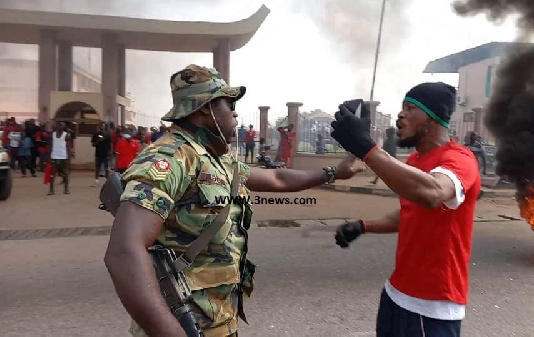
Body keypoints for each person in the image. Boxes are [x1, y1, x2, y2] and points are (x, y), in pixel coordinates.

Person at [103, 65, 362, 337]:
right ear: (206, 107)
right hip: (180, 325)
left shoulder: (216, 158)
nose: (236, 112)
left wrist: (335, 172)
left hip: (217, 322)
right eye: (230, 103)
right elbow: (124, 252)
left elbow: (278, 180)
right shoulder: (169, 157)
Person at [330, 82, 481, 337]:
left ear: (432, 118)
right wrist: (364, 225)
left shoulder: (460, 159)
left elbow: (433, 194)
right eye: (402, 108)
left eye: (410, 108)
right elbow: (413, 213)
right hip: (396, 293)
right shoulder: (415, 160)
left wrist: (367, 148)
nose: (401, 115)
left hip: (432, 306)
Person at [48, 121, 72, 195]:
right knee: (52, 174)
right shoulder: (52, 135)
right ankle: (51, 190)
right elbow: (50, 146)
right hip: (54, 156)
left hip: (63, 157)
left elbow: (68, 147)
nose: (60, 127)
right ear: (56, 126)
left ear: (64, 127)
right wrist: (49, 156)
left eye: (62, 126)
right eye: (59, 125)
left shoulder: (66, 135)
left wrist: (68, 157)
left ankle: (66, 189)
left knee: (65, 174)